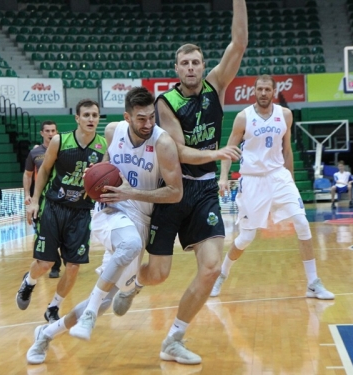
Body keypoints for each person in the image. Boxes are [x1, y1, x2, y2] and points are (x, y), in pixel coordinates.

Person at [110, 0, 248, 365]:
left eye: (196, 62)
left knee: (212, 267)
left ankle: (174, 339)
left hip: (203, 193)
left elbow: (238, 43)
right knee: (158, 274)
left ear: (204, 67)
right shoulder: (165, 102)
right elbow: (181, 152)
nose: (191, 67)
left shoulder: (216, 87)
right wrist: (217, 155)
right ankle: (134, 284)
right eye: (184, 63)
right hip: (172, 190)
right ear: (177, 68)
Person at [26, 87, 183, 364]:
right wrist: (94, 176)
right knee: (130, 245)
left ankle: (46, 333)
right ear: (127, 117)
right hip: (110, 209)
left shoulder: (163, 143)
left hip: (140, 215)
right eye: (141, 119)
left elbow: (175, 192)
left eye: (151, 118)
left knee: (107, 300)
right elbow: (106, 165)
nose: (147, 124)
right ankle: (89, 315)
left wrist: (130, 192)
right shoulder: (113, 131)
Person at [210, 75, 335, 302]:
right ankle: (222, 273)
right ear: (254, 91)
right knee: (246, 237)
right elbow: (229, 149)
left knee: (302, 222)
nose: (264, 93)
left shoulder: (285, 115)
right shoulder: (243, 117)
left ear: (274, 91)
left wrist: (292, 182)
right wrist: (223, 176)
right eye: (260, 89)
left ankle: (313, 283)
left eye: (267, 89)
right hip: (252, 179)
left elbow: (287, 150)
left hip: (278, 176)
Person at [18, 99, 107, 323]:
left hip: (81, 211)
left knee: (74, 266)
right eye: (86, 115)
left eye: (95, 115)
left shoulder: (104, 147)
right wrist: (35, 200)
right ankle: (29, 282)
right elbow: (45, 170)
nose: (91, 119)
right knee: (45, 264)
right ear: (77, 118)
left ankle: (53, 307)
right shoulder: (60, 140)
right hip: (54, 206)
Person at [23, 120, 62, 278]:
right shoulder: (34, 153)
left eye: (53, 130)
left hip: (60, 197)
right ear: (42, 133)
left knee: (61, 233)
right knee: (43, 232)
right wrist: (28, 195)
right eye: (47, 131)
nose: (51, 133)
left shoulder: (63, 149)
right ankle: (53, 266)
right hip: (42, 199)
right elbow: (27, 174)